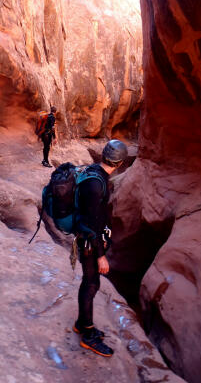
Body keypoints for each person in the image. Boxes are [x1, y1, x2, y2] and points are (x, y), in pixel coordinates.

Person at [73, 139, 128, 357]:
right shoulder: (97, 185)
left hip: (87, 238)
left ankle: (81, 323)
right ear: (120, 163)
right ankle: (87, 333)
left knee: (90, 283)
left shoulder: (94, 172)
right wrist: (100, 256)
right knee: (91, 283)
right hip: (89, 243)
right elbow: (92, 224)